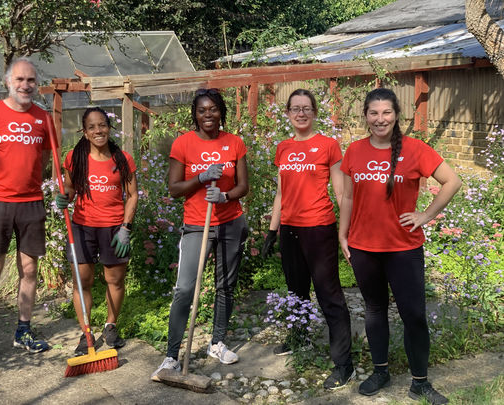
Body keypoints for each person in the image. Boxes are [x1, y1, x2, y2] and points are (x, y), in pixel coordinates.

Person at [339, 88, 461, 405]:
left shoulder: (415, 149)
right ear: (365, 116)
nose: (380, 119)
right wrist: (343, 235)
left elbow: (452, 181)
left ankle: (420, 382)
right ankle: (381, 371)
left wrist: (426, 215)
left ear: (396, 115)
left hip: (403, 248)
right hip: (364, 247)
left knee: (414, 315)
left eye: (386, 113)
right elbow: (348, 197)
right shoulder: (354, 150)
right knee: (375, 310)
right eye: (374, 113)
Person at [151, 88, 248, 380]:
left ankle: (217, 343)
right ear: (195, 114)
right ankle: (171, 356)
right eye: (203, 110)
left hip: (231, 222)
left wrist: (226, 196)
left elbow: (244, 186)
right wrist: (201, 178)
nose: (208, 115)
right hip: (196, 224)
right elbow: (174, 188)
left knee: (225, 286)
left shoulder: (234, 143)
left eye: (214, 109)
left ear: (221, 112)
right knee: (184, 289)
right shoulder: (183, 144)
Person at [261, 88, 354, 390]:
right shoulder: (283, 148)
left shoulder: (328, 145)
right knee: (295, 289)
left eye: (306, 108)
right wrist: (272, 231)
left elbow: (340, 191)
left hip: (318, 228)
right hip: (289, 228)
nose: (301, 113)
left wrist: (347, 231)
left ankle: (343, 363)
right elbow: (280, 193)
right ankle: (297, 337)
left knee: (329, 294)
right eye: (295, 108)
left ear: (315, 113)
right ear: (287, 113)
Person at [0, 58, 53, 366]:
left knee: (29, 270)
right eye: (20, 79)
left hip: (31, 203)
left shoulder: (43, 118)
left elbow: (44, 156)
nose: (25, 85)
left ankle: (23, 331)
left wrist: (31, 184)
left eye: (31, 80)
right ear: (8, 81)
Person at [55, 107, 138, 355]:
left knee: (115, 280)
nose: (98, 130)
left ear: (108, 127)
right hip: (83, 227)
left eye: (102, 125)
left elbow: (132, 196)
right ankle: (87, 333)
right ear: (85, 131)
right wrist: (63, 199)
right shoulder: (74, 158)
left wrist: (126, 227)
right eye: (92, 127)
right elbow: (69, 190)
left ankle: (110, 326)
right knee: (83, 282)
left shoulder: (122, 159)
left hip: (113, 228)